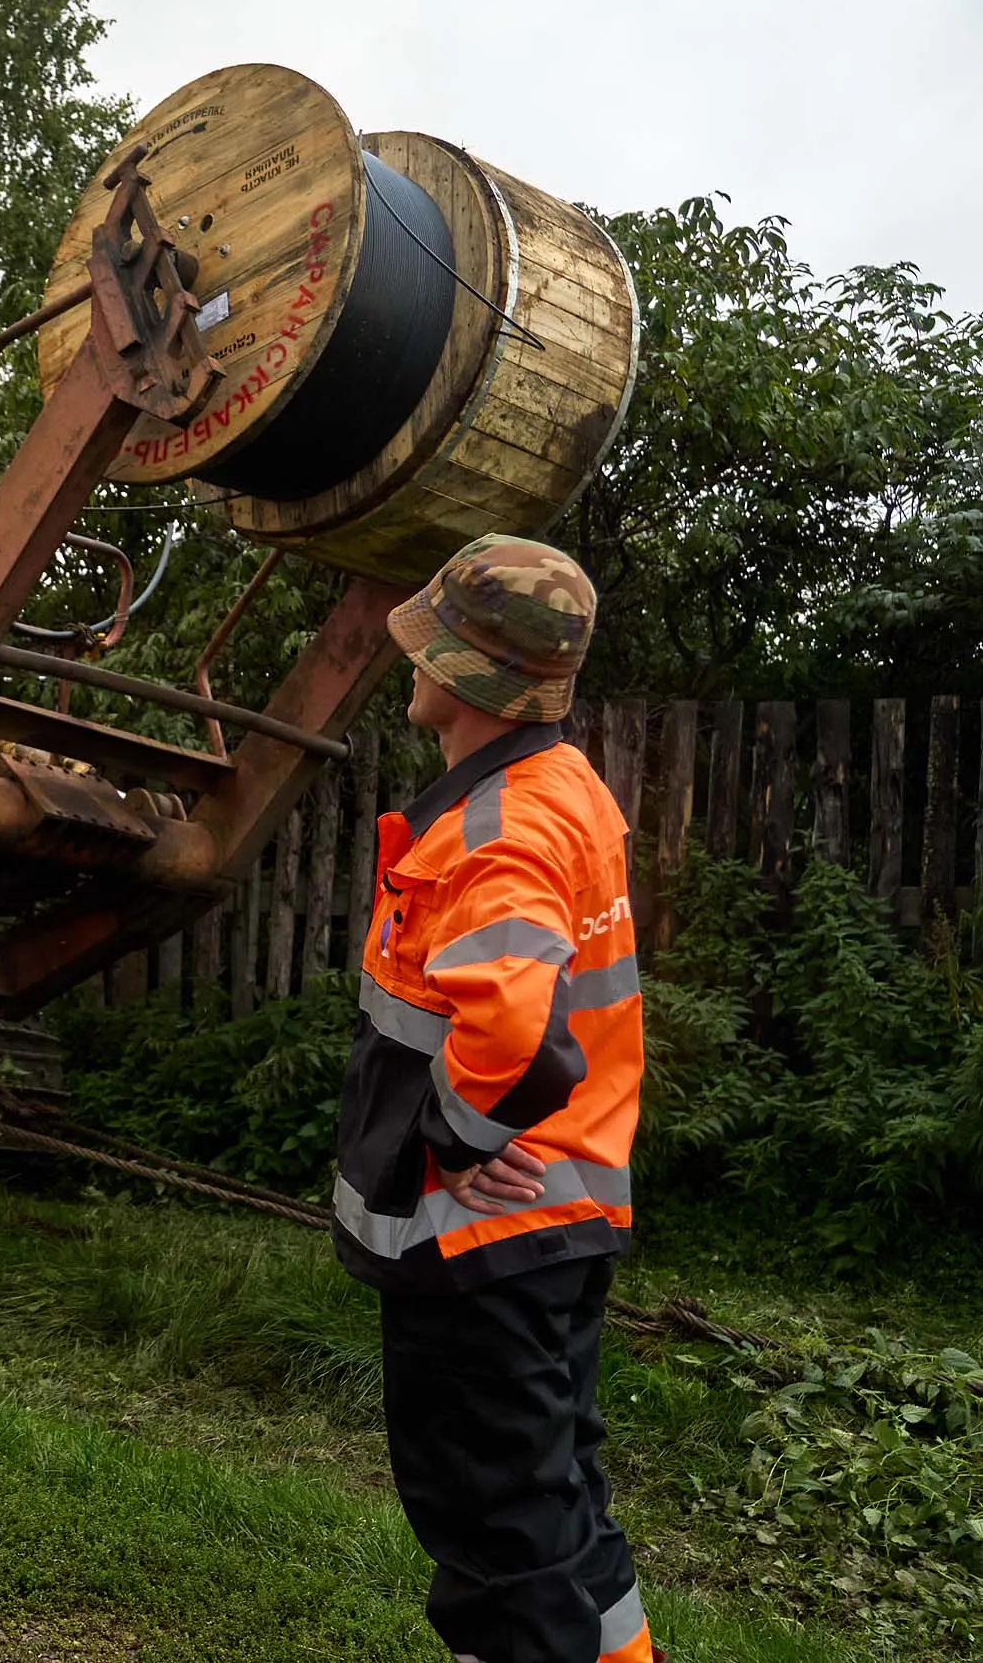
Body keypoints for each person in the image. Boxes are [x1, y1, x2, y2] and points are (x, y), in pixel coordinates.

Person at [333, 536, 653, 1663]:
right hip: (562, 1217)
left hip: (484, 1239)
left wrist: (453, 1141)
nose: (410, 658)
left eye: (431, 641)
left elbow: (513, 1030)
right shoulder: (566, 790)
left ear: (466, 676)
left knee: (496, 1535)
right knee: (556, 1504)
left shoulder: (495, 829)